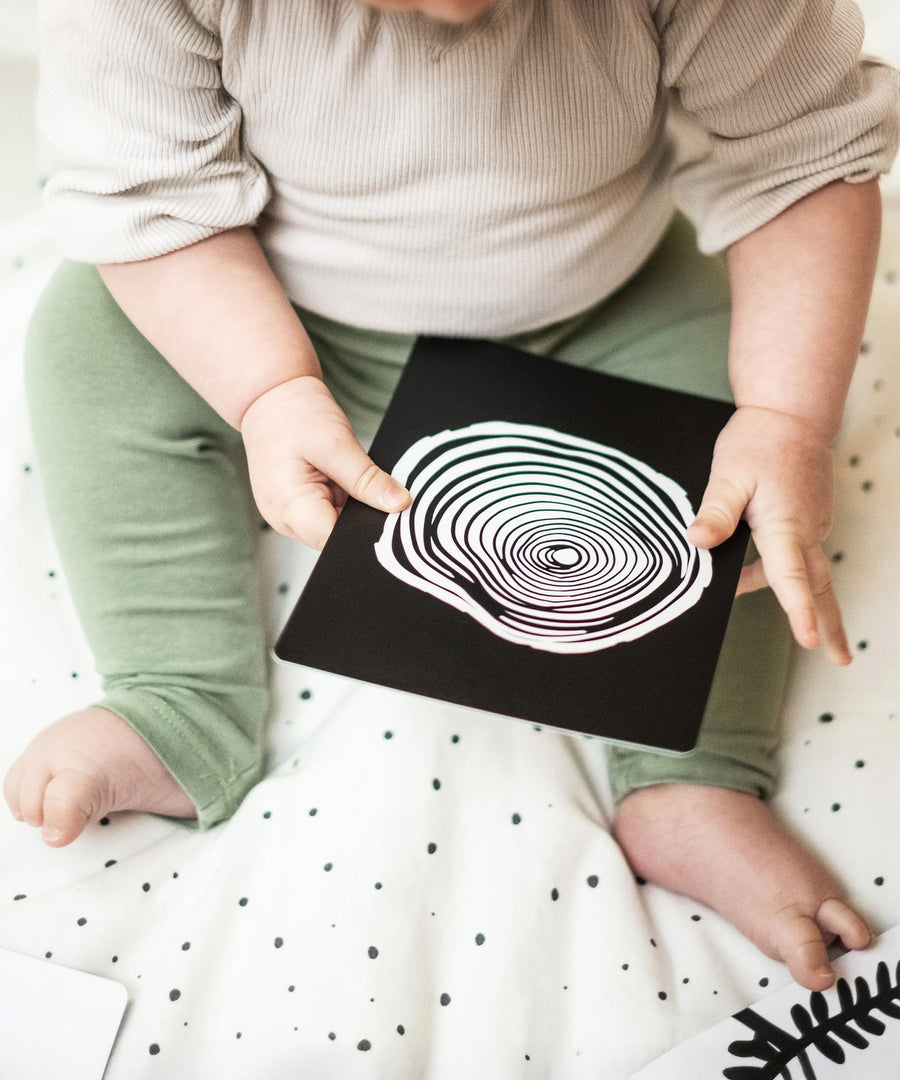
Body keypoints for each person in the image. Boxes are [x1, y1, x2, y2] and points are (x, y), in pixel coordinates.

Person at [4, 0, 898, 992]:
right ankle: (179, 699)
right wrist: (264, 389)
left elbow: (800, 157)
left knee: (738, 452)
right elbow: (152, 197)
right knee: (85, 339)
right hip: (262, 312)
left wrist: (785, 418)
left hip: (607, 310)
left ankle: (694, 773)